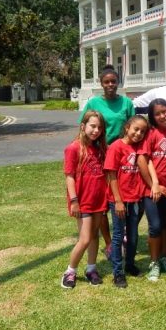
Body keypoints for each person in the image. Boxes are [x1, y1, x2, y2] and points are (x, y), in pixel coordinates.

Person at [79, 64, 135, 259]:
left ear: (118, 82)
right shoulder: (94, 102)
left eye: (113, 81)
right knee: (103, 201)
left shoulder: (126, 103)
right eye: (106, 82)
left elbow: (133, 127)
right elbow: (84, 127)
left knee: (124, 196)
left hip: (122, 156)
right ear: (101, 83)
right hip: (99, 155)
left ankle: (123, 234)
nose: (110, 84)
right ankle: (110, 243)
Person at [61, 111, 107, 289]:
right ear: (83, 126)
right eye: (92, 126)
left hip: (99, 200)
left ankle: (91, 269)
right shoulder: (73, 148)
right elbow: (69, 176)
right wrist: (74, 201)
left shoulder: (100, 149)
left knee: (94, 236)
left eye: (99, 127)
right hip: (82, 202)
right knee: (85, 239)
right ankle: (70, 271)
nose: (96, 130)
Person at [104, 115, 148, 288]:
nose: (138, 134)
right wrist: (118, 201)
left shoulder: (139, 148)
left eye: (142, 131)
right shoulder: (116, 147)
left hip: (134, 198)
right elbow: (111, 174)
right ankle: (118, 272)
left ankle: (130, 264)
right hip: (119, 200)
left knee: (133, 235)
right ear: (127, 128)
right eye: (136, 129)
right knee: (117, 236)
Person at [137, 99, 166, 282]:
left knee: (164, 226)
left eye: (165, 111)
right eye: (158, 114)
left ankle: (164, 258)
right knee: (154, 226)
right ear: (152, 117)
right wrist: (154, 184)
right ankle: (154, 262)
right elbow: (143, 160)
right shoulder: (151, 134)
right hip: (151, 190)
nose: (163, 116)